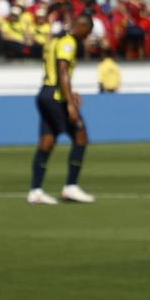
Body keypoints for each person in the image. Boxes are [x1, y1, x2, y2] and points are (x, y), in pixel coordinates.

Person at [31, 14, 94, 205]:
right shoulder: (68, 42)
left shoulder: (54, 40)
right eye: (87, 32)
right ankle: (71, 186)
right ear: (82, 27)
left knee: (47, 141)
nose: (87, 37)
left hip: (45, 93)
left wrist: (70, 92)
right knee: (81, 136)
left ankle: (36, 190)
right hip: (56, 97)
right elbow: (62, 69)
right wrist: (69, 103)